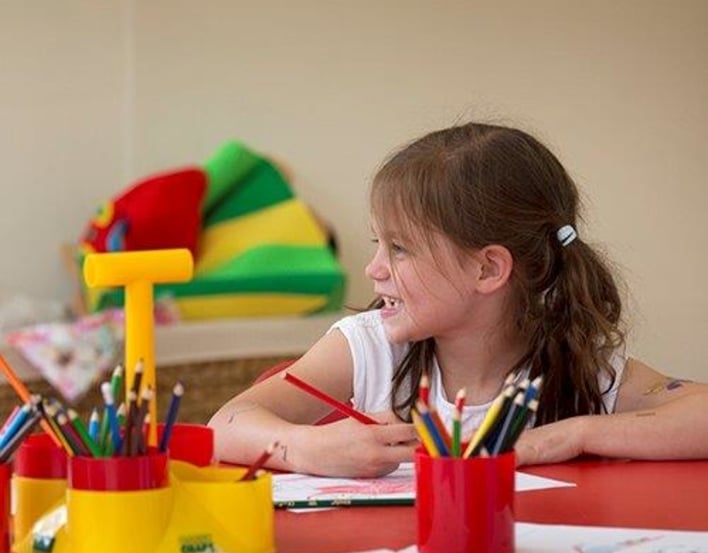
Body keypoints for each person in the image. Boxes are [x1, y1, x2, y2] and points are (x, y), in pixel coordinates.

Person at [208, 122, 708, 477]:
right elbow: (225, 423)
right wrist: (306, 447)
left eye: (399, 249)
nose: (374, 269)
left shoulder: (574, 366)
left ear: (487, 268)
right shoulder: (370, 348)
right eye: (378, 244)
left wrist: (572, 435)